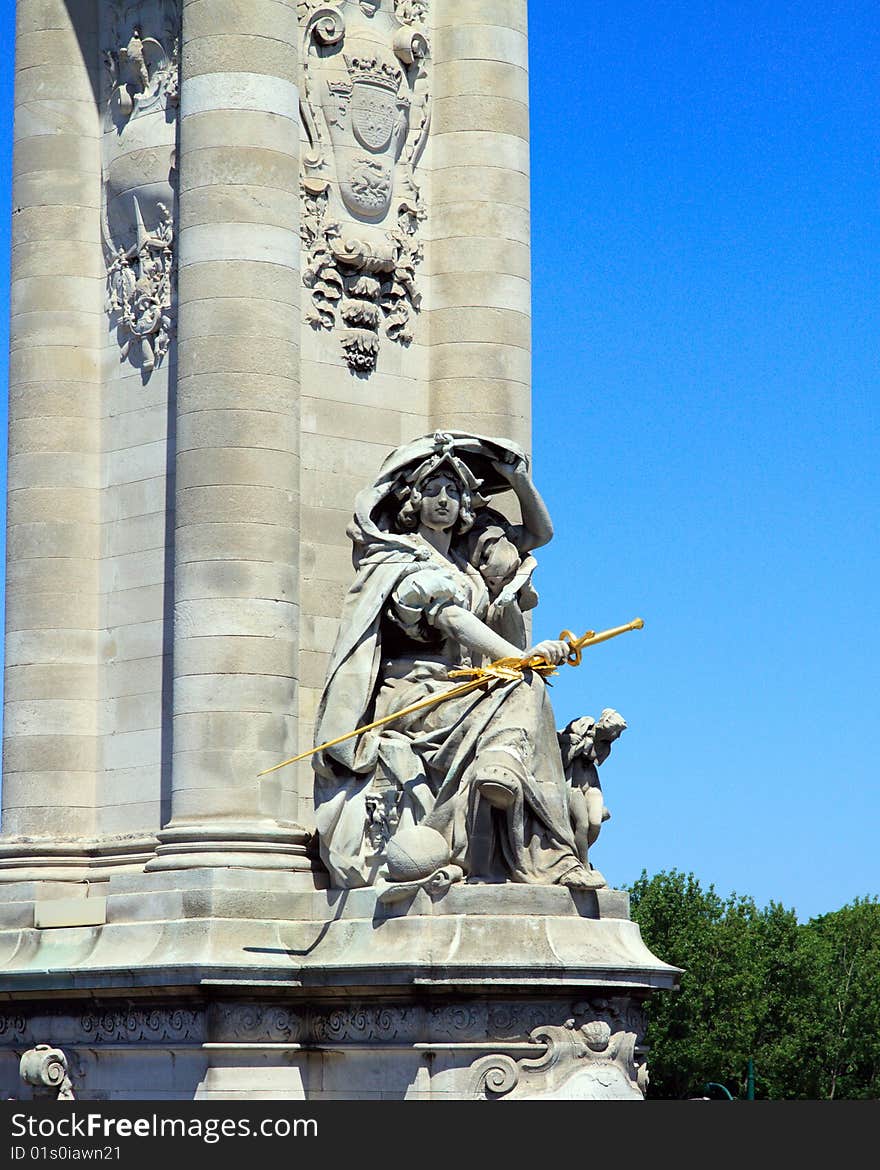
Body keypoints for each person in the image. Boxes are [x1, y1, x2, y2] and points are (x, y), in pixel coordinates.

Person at [312, 431, 605, 891]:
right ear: (412, 501)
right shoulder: (399, 561)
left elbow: (539, 534)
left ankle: (549, 848)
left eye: (453, 491)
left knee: (530, 691)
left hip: (457, 687)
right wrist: (519, 656)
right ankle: (513, 795)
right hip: (411, 694)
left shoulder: (469, 565)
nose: (443, 500)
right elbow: (448, 618)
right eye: (432, 491)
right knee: (525, 685)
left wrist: (519, 481)